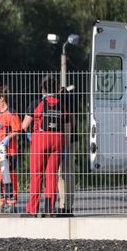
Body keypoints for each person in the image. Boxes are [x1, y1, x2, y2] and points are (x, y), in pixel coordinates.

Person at [22, 76, 67, 216]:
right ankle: (49, 209)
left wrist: (30, 135)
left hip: (41, 139)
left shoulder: (37, 103)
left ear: (43, 89)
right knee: (52, 175)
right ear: (56, 89)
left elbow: (24, 126)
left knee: (36, 175)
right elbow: (67, 125)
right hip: (58, 139)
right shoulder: (62, 104)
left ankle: (32, 209)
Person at [0, 89, 23, 213]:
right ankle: (0, 201)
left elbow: (17, 130)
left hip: (10, 151)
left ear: (2, 99)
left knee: (10, 176)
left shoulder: (12, 113)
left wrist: (7, 139)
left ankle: (11, 203)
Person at [56, 83, 79, 216]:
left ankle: (63, 206)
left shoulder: (62, 100)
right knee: (69, 172)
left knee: (62, 175)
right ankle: (69, 205)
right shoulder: (71, 98)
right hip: (74, 139)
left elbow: (71, 122)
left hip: (65, 140)